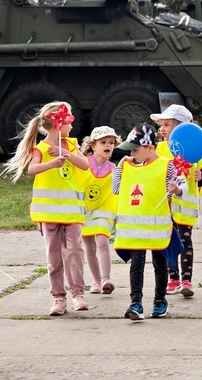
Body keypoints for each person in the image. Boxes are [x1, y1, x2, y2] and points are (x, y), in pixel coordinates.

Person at [4, 102, 91, 316]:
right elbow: (32, 169)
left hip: (71, 213)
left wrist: (65, 153)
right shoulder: (40, 149)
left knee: (74, 251)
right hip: (49, 214)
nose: (72, 126)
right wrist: (52, 163)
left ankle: (78, 295)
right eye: (69, 121)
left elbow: (85, 165)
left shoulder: (71, 145)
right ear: (58, 124)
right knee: (54, 258)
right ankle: (58, 298)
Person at [113, 123, 181, 320]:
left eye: (135, 150)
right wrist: (120, 166)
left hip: (158, 228)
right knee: (137, 264)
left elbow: (179, 186)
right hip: (134, 230)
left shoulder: (167, 165)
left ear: (150, 147)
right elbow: (116, 189)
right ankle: (136, 302)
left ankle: (160, 300)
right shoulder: (128, 167)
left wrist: (176, 189)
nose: (131, 153)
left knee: (160, 264)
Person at [152, 105, 202, 299]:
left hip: (185, 205)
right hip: (164, 205)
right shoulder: (159, 149)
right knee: (168, 241)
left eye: (167, 124)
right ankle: (173, 278)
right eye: (161, 125)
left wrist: (201, 176)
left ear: (181, 127)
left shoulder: (195, 149)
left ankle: (186, 280)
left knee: (185, 241)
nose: (162, 129)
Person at [79, 126, 121, 296]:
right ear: (93, 145)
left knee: (102, 243)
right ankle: (96, 281)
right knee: (89, 247)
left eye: (111, 142)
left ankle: (105, 279)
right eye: (103, 142)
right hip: (83, 211)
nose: (108, 145)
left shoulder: (113, 168)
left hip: (103, 211)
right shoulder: (82, 163)